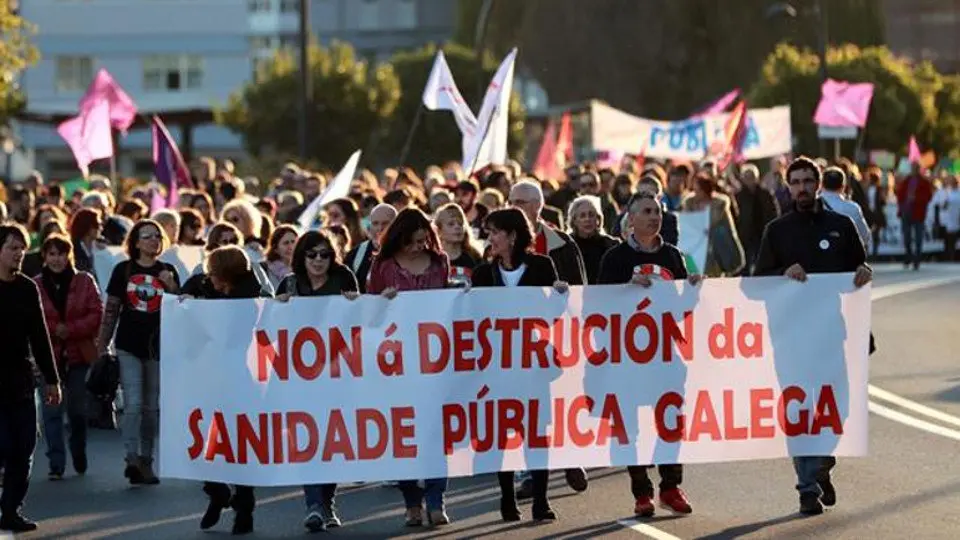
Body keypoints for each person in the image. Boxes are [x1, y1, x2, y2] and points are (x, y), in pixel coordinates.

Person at [753, 156, 872, 516]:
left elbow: (858, 271)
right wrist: (781, 272)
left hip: (833, 334)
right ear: (788, 187)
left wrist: (864, 273)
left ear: (818, 184)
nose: (802, 187)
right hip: (791, 337)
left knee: (837, 409)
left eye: (808, 181)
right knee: (800, 411)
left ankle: (822, 465)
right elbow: (755, 285)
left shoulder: (841, 225)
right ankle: (806, 488)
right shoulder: (777, 231)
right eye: (796, 182)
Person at [597, 192, 701, 517]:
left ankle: (670, 486)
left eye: (657, 211)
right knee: (629, 425)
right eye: (647, 211)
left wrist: (695, 289)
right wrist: (625, 288)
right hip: (627, 358)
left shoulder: (675, 256)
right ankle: (642, 492)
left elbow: (684, 308)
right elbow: (598, 308)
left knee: (670, 421)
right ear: (631, 218)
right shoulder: (614, 258)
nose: (654, 217)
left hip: (667, 356)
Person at [472, 207, 565, 523]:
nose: (490, 238)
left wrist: (561, 296)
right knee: (499, 435)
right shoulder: (483, 274)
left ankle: (541, 500)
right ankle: (507, 498)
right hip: (497, 367)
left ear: (512, 235)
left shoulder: (542, 266)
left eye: (495, 232)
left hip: (534, 364)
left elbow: (553, 315)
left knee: (536, 433)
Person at [366, 208, 451, 527]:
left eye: (424, 240)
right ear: (399, 239)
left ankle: (435, 498)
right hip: (396, 362)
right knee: (403, 433)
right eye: (414, 242)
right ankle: (411, 502)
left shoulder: (440, 262)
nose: (419, 247)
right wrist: (381, 302)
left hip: (434, 361)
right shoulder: (383, 265)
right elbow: (370, 316)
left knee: (434, 432)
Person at [275, 230, 360, 531]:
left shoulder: (344, 278)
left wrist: (356, 303)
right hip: (302, 377)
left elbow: (359, 323)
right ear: (302, 256)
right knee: (307, 440)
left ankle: (327, 502)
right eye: (312, 254)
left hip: (339, 373)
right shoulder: (289, 284)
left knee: (331, 441)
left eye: (325, 254)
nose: (319, 260)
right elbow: (274, 330)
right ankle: (313, 504)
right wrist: (279, 307)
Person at [187, 246, 271, 535]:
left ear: (226, 275)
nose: (208, 278)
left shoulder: (250, 299)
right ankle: (217, 491)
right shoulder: (207, 287)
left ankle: (245, 508)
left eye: (213, 274)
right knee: (202, 441)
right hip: (207, 378)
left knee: (238, 444)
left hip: (238, 380)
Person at [96, 219, 180, 485]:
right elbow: (112, 309)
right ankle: (131, 457)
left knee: (151, 408)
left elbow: (181, 311)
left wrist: (172, 287)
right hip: (128, 345)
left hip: (156, 348)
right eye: (147, 236)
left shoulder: (168, 271)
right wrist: (102, 344)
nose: (154, 240)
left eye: (157, 236)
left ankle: (147, 460)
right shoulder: (123, 270)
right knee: (132, 404)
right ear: (135, 242)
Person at [0, 224, 61, 533]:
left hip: (20, 379)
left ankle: (10, 510)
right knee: (4, 445)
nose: (19, 253)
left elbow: (39, 335)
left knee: (23, 448)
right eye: (12, 247)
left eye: (22, 247)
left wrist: (52, 379)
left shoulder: (27, 288)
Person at [33, 234, 103, 480]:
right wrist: (55, 329)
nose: (57, 259)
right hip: (48, 356)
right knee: (51, 412)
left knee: (77, 410)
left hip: (78, 355)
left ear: (69, 255)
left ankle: (78, 450)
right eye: (52, 254)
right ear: (44, 256)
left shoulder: (84, 281)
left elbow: (97, 314)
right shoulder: (36, 285)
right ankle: (56, 463)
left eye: (61, 253)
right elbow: (32, 319)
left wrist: (71, 329)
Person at [345, 203, 398, 293]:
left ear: (396, 225)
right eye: (375, 223)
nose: (380, 228)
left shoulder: (408, 252)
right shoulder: (355, 255)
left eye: (386, 223)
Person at [567, 195, 619, 284]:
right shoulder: (566, 246)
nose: (587, 219)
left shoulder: (611, 245)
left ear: (598, 219)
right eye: (582, 216)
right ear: (574, 221)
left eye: (591, 215)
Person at [819, 167, 872, 252]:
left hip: (818, 257)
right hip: (844, 258)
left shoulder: (812, 205)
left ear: (821, 184)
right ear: (843, 186)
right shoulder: (853, 208)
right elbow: (865, 236)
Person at [433, 203, 482, 286]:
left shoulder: (474, 256)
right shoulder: (433, 259)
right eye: (451, 224)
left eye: (460, 224)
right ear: (438, 231)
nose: (457, 227)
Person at [895, 163, 934, 270]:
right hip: (906, 212)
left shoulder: (924, 182)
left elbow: (928, 197)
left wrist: (916, 198)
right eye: (912, 168)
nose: (913, 170)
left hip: (918, 212)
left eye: (915, 168)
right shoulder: (906, 180)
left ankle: (917, 259)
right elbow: (899, 194)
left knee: (918, 237)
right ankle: (908, 256)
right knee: (907, 236)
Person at [261, 224, 299, 290]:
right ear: (276, 249)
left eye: (293, 242)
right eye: (286, 243)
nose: (291, 247)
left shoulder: (305, 268)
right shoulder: (266, 270)